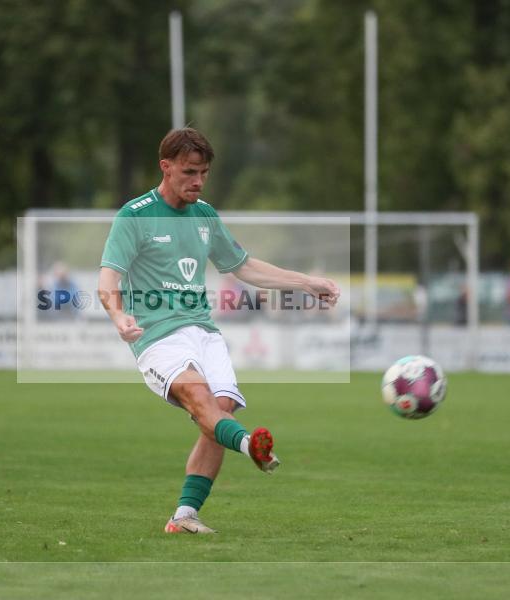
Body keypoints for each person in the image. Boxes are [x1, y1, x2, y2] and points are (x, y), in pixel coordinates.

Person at [98, 128, 340, 534]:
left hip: (204, 332)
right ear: (166, 167)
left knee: (220, 411)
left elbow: (243, 266)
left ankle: (184, 516)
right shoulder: (135, 216)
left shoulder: (205, 216)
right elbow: (108, 280)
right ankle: (251, 446)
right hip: (156, 334)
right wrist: (118, 316)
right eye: (190, 172)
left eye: (204, 173)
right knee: (199, 399)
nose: (197, 181)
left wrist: (305, 283)